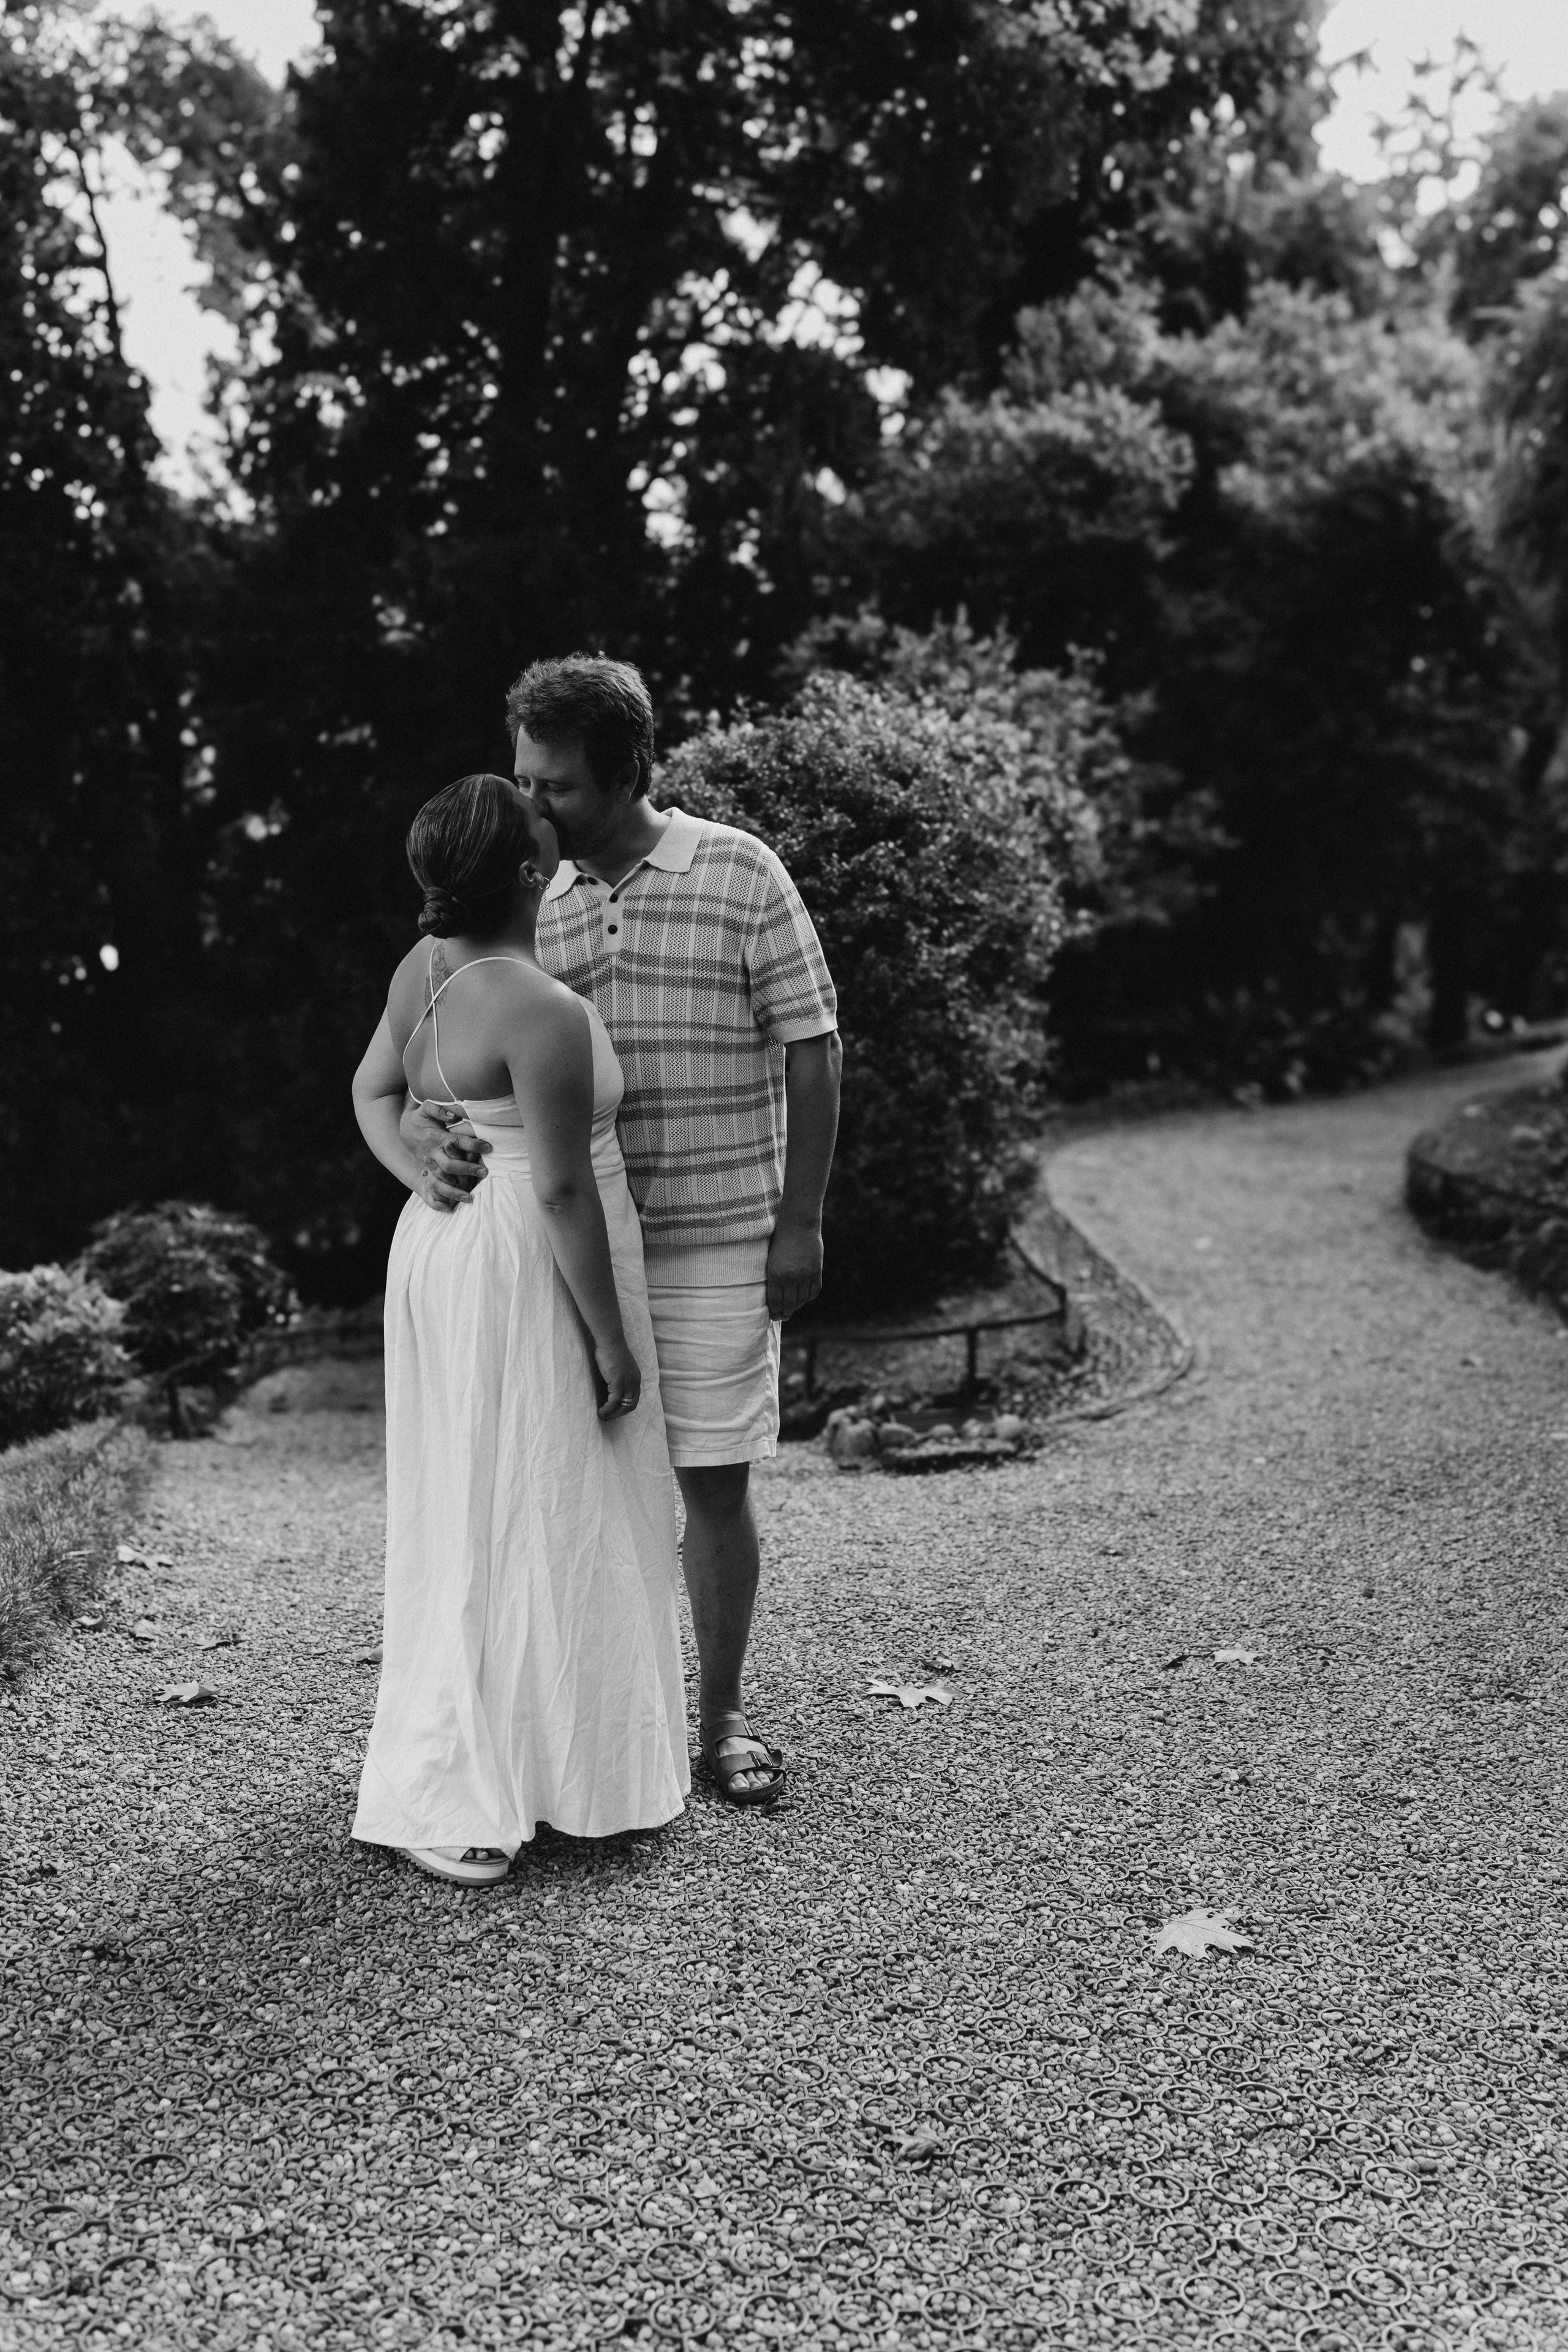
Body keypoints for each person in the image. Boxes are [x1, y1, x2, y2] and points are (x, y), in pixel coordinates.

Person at [402, 658, 841, 1806]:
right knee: (567, 1494)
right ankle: (589, 1740)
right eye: (523, 780)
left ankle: (722, 1719)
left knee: (711, 1482)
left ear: (631, 770)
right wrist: (419, 1126)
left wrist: (800, 1220)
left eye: (555, 786)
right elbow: (427, 1047)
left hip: (713, 1235)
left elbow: (814, 1043)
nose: (531, 805)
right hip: (564, 1256)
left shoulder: (739, 870)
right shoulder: (517, 891)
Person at [350, 773, 688, 1885]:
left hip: (440, 1250)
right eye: (538, 809)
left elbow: (369, 1093)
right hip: (518, 1265)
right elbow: (560, 1190)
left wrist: (416, 1170)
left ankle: (556, 1765)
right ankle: (458, 1781)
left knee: (482, 1497)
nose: (552, 804)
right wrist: (610, 1339)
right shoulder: (543, 1010)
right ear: (535, 870)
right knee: (546, 1494)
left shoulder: (424, 971)